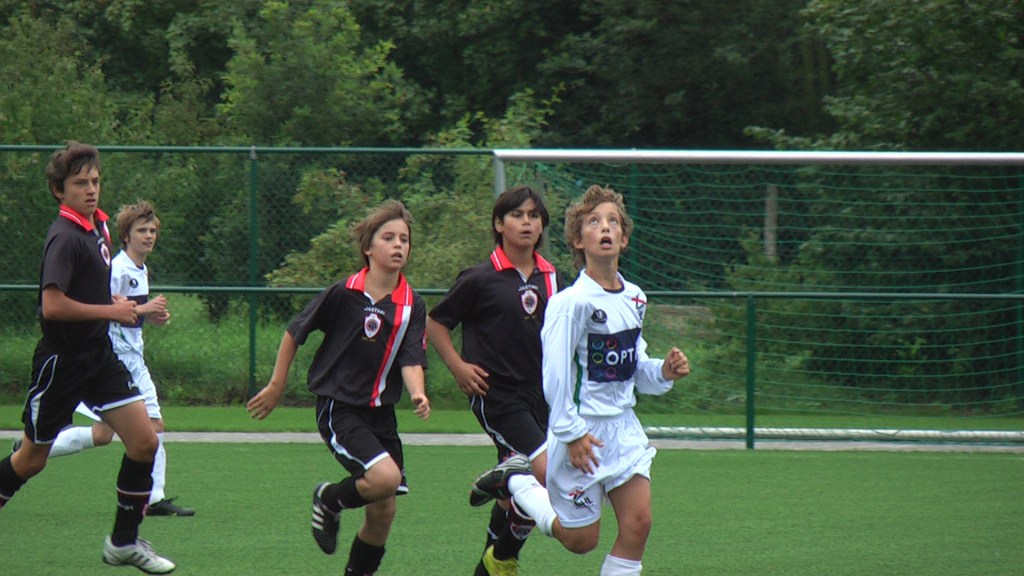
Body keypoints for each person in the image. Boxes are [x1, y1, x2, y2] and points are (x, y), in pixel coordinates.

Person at [470, 185, 691, 576]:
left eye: (613, 222)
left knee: (638, 523)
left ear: (624, 238)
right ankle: (519, 481)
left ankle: (519, 479)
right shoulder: (570, 303)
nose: (605, 227)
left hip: (623, 431)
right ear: (578, 240)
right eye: (594, 222)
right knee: (581, 541)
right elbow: (555, 376)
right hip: (581, 430)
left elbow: (633, 366)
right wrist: (571, 434)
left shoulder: (635, 298)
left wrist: (662, 371)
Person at [0, 142, 176, 573]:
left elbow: (90, 292)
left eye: (95, 180)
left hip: (99, 357)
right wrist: (111, 311)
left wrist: (116, 303)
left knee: (145, 442)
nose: (91, 189)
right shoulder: (64, 237)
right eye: (80, 183)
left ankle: (123, 543)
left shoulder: (96, 227)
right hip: (62, 364)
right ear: (59, 190)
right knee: (31, 460)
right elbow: (52, 306)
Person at [247, 199, 431, 576]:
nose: (398, 245)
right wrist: (277, 384)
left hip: (381, 414)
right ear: (368, 247)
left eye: (404, 239)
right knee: (385, 478)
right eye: (389, 238)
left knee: (383, 510)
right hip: (340, 407)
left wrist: (418, 392)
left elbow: (412, 357)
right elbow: (294, 332)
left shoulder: (412, 304)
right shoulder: (344, 293)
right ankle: (329, 499)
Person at [13, 201, 196, 516]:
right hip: (116, 357)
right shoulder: (119, 267)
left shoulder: (140, 269)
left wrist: (149, 316)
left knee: (101, 435)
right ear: (125, 236)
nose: (149, 236)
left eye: (152, 230)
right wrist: (143, 308)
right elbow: (105, 307)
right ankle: (152, 499)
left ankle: (31, 451)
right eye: (142, 230)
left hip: (130, 355)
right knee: (154, 424)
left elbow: (128, 314)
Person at [427, 185, 563, 576]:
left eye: (534, 216)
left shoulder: (552, 277)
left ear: (542, 226)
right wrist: (458, 367)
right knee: (547, 473)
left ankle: (489, 563)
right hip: (497, 395)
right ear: (499, 224)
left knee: (522, 489)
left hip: (541, 396)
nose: (526, 222)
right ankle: (503, 550)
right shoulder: (479, 278)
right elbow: (436, 324)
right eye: (517, 215)